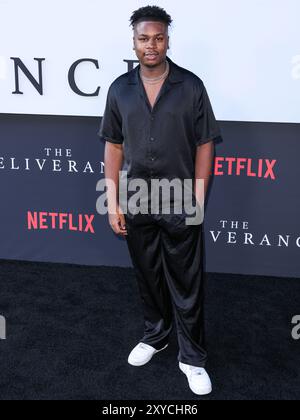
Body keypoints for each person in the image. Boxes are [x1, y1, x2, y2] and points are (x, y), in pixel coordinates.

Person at [97, 5, 222, 396]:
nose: (151, 45)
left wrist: (198, 197)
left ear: (168, 40)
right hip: (135, 199)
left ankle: (193, 357)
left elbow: (205, 145)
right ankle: (155, 336)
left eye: (158, 37)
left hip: (181, 199)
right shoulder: (119, 88)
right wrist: (113, 200)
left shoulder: (191, 86)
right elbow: (113, 146)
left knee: (187, 283)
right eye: (143, 38)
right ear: (133, 42)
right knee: (148, 276)